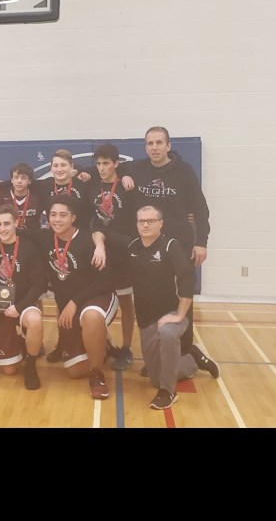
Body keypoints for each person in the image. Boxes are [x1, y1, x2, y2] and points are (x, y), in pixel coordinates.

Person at [93, 204, 219, 409]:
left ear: (160, 223)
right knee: (155, 377)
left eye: (150, 221)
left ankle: (168, 392)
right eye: (141, 221)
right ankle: (193, 359)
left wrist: (179, 314)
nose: (145, 225)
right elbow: (102, 231)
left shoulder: (170, 246)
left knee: (168, 334)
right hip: (145, 319)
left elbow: (188, 277)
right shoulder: (132, 246)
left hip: (171, 314)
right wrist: (99, 245)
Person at [128, 126, 211, 373]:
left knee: (181, 300)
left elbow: (201, 207)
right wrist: (121, 176)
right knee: (153, 299)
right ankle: (158, 358)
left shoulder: (184, 172)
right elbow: (112, 168)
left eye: (158, 143)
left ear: (168, 145)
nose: (154, 147)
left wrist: (202, 242)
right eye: (149, 144)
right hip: (149, 245)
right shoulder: (137, 169)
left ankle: (186, 353)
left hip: (178, 245)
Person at [29, 195, 117, 400]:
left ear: (73, 217)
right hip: (69, 305)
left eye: (63, 215)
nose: (57, 220)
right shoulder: (44, 237)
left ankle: (97, 374)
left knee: (91, 316)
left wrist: (74, 302)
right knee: (74, 372)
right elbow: (12, 232)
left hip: (98, 297)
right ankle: (102, 346)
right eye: (53, 215)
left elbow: (105, 282)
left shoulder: (87, 240)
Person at [87, 143, 138, 371]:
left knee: (126, 303)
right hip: (100, 251)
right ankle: (104, 343)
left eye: (106, 163)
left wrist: (126, 174)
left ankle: (126, 348)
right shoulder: (91, 185)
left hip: (123, 253)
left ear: (116, 164)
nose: (101, 168)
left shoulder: (127, 186)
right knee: (99, 300)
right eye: (98, 163)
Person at [0, 204, 48, 389]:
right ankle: (21, 342)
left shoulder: (29, 247)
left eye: (7, 223)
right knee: (10, 370)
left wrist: (19, 307)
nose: (2, 228)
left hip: (22, 304)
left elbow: (39, 285)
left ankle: (31, 366)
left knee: (35, 319)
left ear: (17, 223)